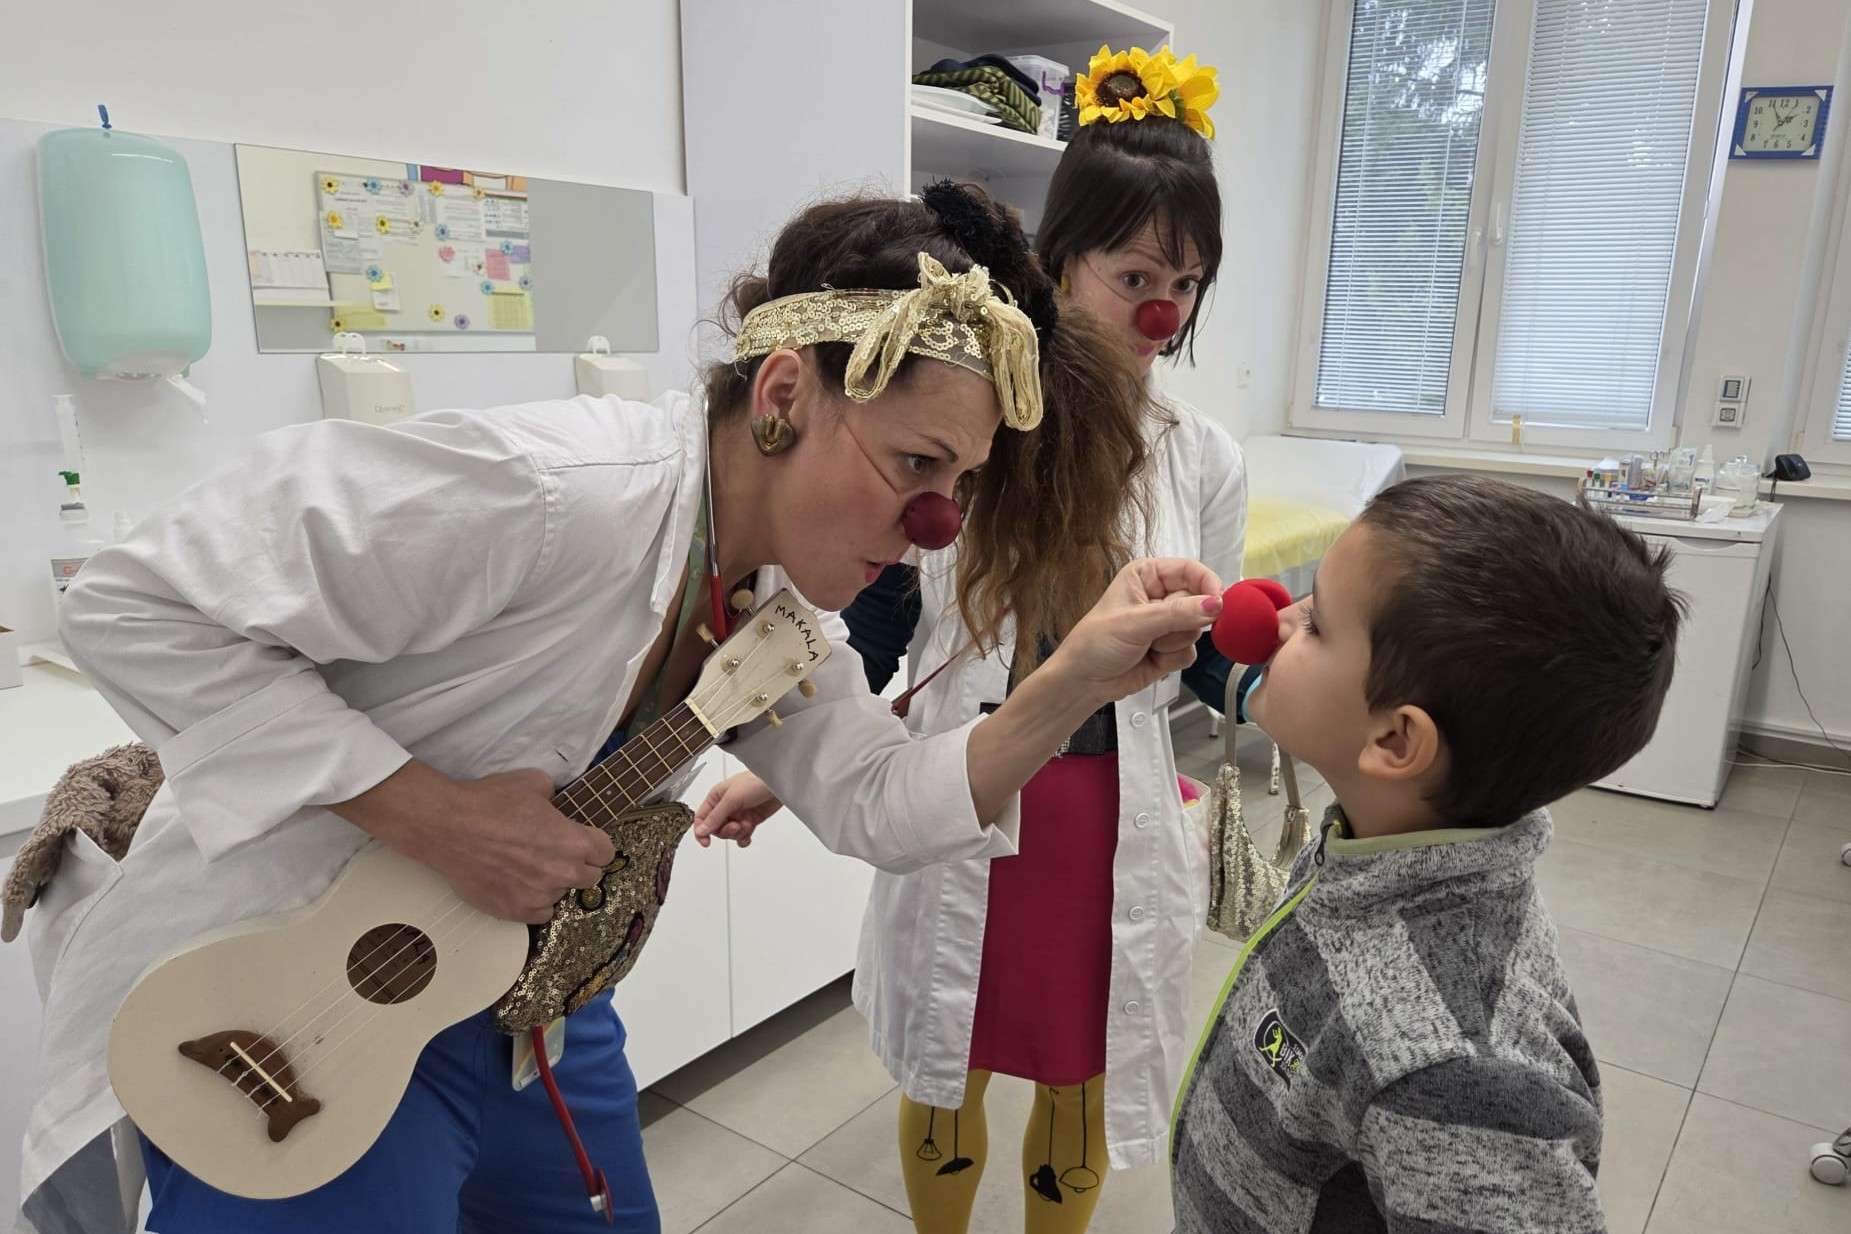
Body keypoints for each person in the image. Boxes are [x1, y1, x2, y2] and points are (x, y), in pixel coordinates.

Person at [14, 183, 1226, 1234]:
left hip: (529, 1000)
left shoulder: (769, 615)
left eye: (960, 482)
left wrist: (1072, 679)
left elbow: (880, 802)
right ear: (787, 392)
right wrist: (430, 815)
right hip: (288, 999)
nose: (935, 528)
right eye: (916, 465)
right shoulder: (553, 493)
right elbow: (131, 603)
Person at [695, 44, 1242, 1234]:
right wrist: (783, 771)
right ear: (1062, 260)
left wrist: (1284, 662)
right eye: (1135, 275)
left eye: (1186, 283)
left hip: (1108, 813)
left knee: (1080, 1068)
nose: (1163, 312)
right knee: (953, 1064)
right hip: (969, 787)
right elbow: (881, 627)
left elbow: (1207, 653)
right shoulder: (971, 420)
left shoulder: (1202, 456)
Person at [1171, 475, 1686, 1233]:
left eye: (1316, 624)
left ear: (1394, 740)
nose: (1277, 616)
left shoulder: (1457, 1068)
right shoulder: (1367, 850)